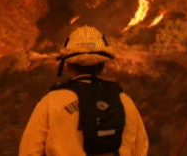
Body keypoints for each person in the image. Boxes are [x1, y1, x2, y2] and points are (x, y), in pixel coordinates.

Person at [19, 26, 149, 156]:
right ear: (102, 65)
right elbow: (141, 150)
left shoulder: (51, 102)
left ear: (69, 66)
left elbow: (28, 152)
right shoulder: (124, 101)